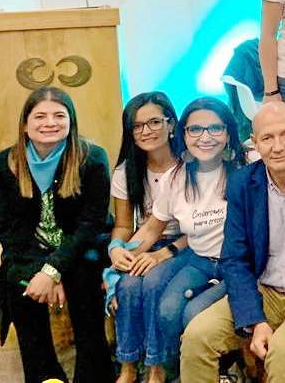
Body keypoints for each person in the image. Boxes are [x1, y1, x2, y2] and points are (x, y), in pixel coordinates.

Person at [180, 101, 285, 382]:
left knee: (284, 350)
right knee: (197, 336)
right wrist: (254, 319)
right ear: (255, 143)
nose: (277, 146)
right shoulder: (243, 183)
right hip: (263, 289)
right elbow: (234, 258)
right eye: (267, 138)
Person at [0, 86, 113, 382]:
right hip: (31, 252)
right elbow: (6, 228)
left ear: (71, 122)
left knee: (84, 285)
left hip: (82, 249)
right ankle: (44, 375)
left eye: (59, 115)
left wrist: (54, 270)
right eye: (40, 116)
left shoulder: (92, 157)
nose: (50, 123)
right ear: (25, 123)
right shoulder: (3, 163)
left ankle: (93, 374)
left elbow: (90, 224)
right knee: (20, 286)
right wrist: (40, 272)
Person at [124, 97, 245, 369]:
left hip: (236, 264)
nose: (206, 137)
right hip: (200, 261)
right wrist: (120, 255)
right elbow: (153, 227)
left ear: (228, 133)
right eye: (195, 130)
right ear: (184, 134)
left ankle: (226, 368)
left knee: (194, 314)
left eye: (215, 128)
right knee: (167, 313)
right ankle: (185, 369)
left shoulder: (246, 169)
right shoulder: (176, 177)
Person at [108, 92, 185, 383]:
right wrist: (117, 250)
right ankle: (127, 366)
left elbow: (204, 229)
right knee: (127, 285)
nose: (146, 131)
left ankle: (156, 367)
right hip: (145, 240)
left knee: (152, 282)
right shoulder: (127, 171)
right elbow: (124, 226)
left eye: (154, 122)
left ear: (171, 124)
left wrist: (163, 253)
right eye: (137, 126)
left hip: (184, 245)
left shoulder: (188, 163)